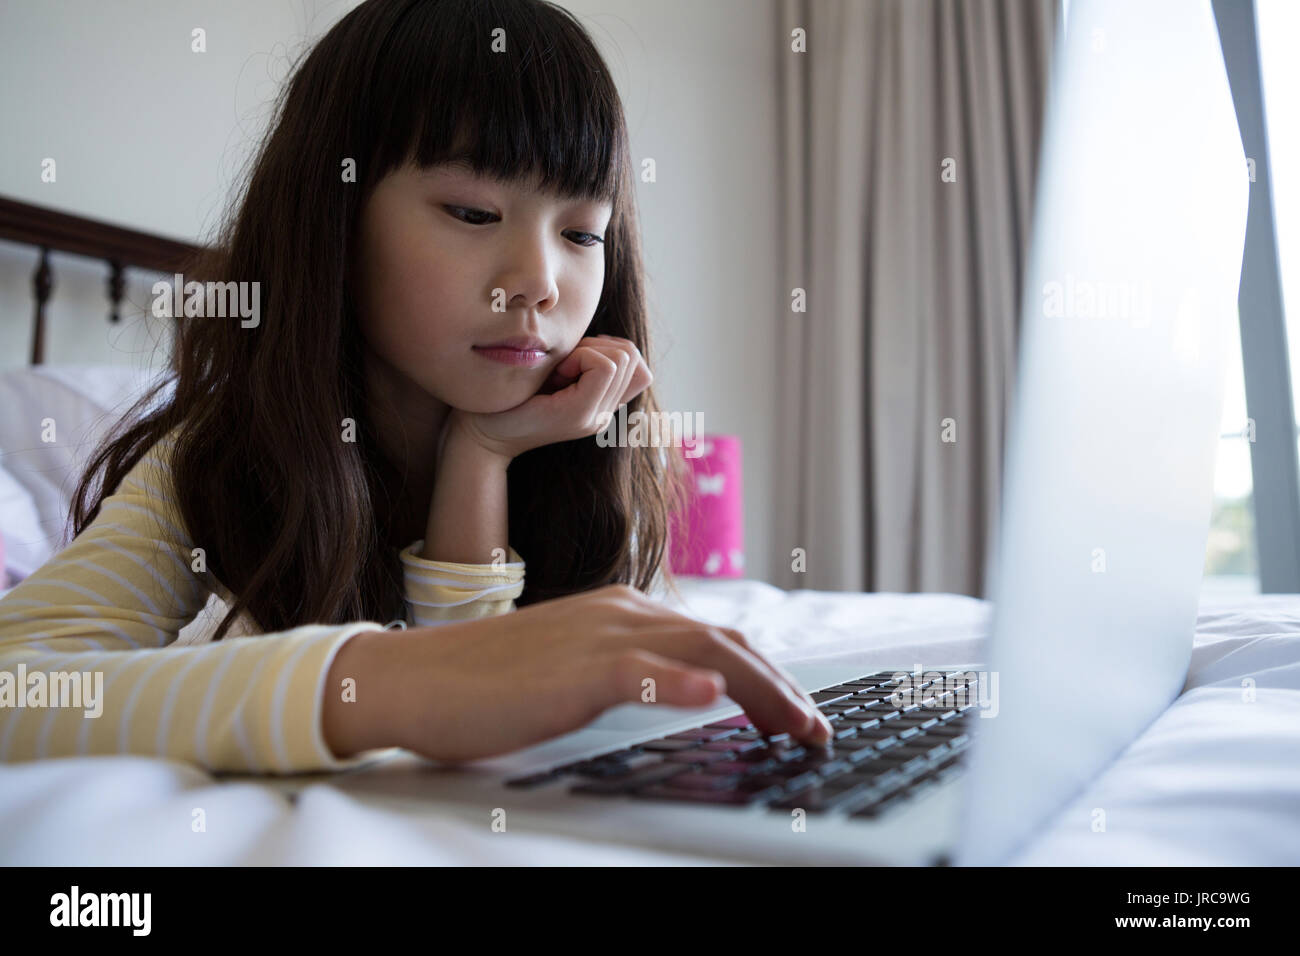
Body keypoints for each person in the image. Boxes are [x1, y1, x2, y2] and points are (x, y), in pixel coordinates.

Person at [0, 0, 831, 774]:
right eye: (472, 213)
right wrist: (376, 684)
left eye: (582, 231)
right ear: (334, 221)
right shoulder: (227, 452)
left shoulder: (576, 458)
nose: (539, 283)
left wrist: (482, 455)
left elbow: (478, 718)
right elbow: (17, 689)